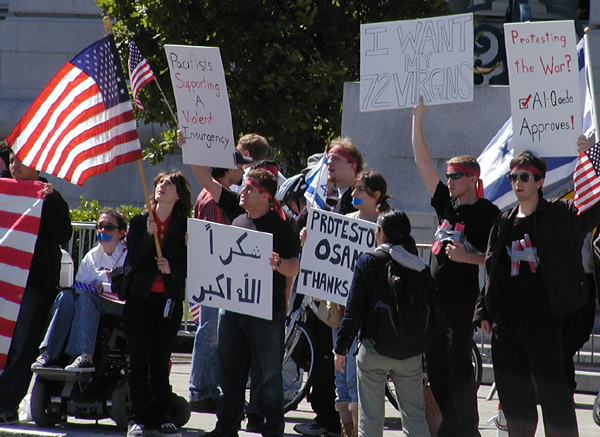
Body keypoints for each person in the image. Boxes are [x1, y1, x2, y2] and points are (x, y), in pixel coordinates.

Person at [474, 141, 600, 436]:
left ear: (540, 181)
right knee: (515, 399)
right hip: (507, 324)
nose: (518, 183)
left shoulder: (559, 215)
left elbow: (594, 208)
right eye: (513, 177)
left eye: (525, 177)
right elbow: (494, 271)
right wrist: (484, 310)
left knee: (554, 395)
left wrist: (591, 156)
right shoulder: (502, 222)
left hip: (544, 320)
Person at [187, 155, 300, 437]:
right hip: (233, 309)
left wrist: (278, 264)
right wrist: (190, 148)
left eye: (249, 189)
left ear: (265, 196)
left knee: (269, 374)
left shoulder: (282, 227)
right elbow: (205, 179)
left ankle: (272, 428)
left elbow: (294, 266)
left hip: (265, 313)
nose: (243, 192)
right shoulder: (236, 215)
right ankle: (226, 426)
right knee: (230, 372)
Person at [412, 97, 500, 437]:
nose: (449, 180)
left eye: (457, 175)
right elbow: (422, 162)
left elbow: (496, 258)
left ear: (473, 178)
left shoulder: (487, 213)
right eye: (448, 174)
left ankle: (467, 430)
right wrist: (416, 120)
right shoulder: (445, 206)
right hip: (435, 304)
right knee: (436, 372)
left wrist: (469, 258)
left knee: (459, 371)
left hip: (462, 304)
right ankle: (451, 428)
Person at [334, 210, 433, 437]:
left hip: (374, 349)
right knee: (415, 416)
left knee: (370, 418)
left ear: (381, 232)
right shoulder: (420, 266)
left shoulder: (369, 261)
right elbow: (432, 311)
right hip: (410, 352)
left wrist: (341, 347)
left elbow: (353, 311)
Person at [295, 138, 365, 437]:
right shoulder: (333, 199)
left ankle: (342, 425)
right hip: (335, 296)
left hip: (353, 300)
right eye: (328, 158)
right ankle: (333, 421)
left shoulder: (360, 199)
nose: (329, 163)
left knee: (348, 370)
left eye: (336, 158)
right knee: (334, 364)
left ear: (353, 165)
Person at [0, 153, 72, 424]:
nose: (14, 166)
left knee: (21, 345)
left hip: (34, 284)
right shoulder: (5, 192)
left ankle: (6, 403)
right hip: (5, 280)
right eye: (11, 160)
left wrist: (49, 199)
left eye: (20, 161)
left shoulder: (52, 198)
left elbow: (63, 236)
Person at [123, 170, 192, 437]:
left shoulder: (185, 225)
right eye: (159, 183)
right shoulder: (141, 221)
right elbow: (134, 261)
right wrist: (145, 237)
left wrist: (171, 267)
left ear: (178, 194)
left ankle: (159, 416)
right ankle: (136, 418)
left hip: (168, 300)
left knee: (161, 360)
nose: (162, 187)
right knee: (138, 360)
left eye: (169, 184)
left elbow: (190, 264)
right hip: (140, 299)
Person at [188, 150, 252, 414]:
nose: (241, 172)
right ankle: (201, 391)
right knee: (210, 333)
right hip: (216, 275)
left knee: (211, 332)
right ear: (229, 169)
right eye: (239, 167)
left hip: (212, 275)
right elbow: (220, 239)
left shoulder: (209, 194)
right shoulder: (213, 198)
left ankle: (206, 389)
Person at [31, 208, 128, 372]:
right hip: (95, 300)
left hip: (120, 304)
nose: (103, 230)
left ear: (121, 233)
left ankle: (84, 355)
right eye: (100, 226)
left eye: (109, 227)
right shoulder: (92, 256)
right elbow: (79, 285)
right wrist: (91, 288)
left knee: (86, 299)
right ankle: (49, 353)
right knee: (66, 296)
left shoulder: (128, 254)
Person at [333, 171, 392, 437]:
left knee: (356, 373)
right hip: (341, 308)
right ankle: (346, 425)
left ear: (375, 195)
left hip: (366, 311)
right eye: (354, 189)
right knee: (341, 370)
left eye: (360, 190)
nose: (353, 194)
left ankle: (359, 429)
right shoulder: (344, 222)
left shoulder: (384, 226)